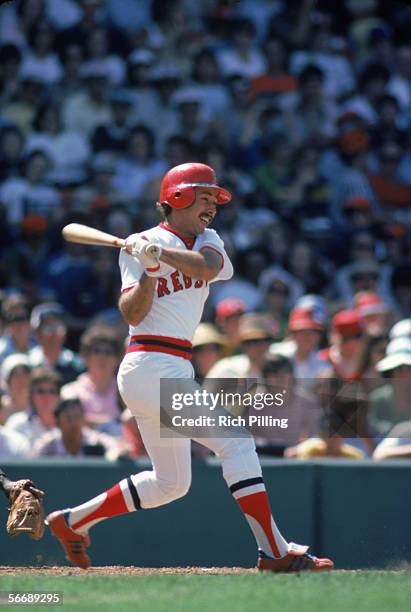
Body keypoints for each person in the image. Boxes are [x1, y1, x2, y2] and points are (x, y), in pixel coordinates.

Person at [46, 162, 333, 572]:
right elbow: (131, 313)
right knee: (235, 441)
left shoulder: (207, 239)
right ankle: (274, 551)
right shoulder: (142, 244)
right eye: (205, 196)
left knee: (171, 484)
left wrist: (159, 255)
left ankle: (73, 522)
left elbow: (208, 268)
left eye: (215, 198)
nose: (213, 205)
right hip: (149, 363)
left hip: (171, 368)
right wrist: (146, 271)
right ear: (177, 197)